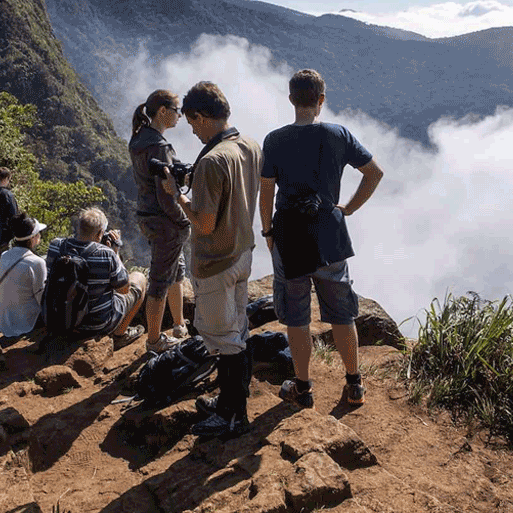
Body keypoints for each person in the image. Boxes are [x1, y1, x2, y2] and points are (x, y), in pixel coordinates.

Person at [259, 69, 383, 409]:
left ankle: (303, 387)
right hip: (329, 233)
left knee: (297, 317)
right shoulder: (338, 134)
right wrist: (349, 209)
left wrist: (267, 230)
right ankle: (354, 385)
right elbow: (375, 173)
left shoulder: (274, 140)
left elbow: (266, 189)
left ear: (291, 100)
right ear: (321, 100)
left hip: (289, 236)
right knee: (342, 314)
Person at [162, 81, 262, 438]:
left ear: (202, 116)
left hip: (216, 261)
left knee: (223, 339)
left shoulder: (213, 160)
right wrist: (195, 178)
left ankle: (233, 416)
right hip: (243, 253)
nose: (192, 129)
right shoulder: (248, 145)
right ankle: (228, 403)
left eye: (192, 123)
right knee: (239, 331)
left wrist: (178, 195)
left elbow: (203, 223)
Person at [129, 89, 191, 354]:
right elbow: (165, 195)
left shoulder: (139, 138)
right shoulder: (160, 146)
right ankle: (154, 341)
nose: (180, 116)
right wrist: (183, 220)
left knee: (174, 269)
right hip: (165, 219)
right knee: (159, 279)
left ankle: (178, 325)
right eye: (177, 111)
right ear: (163, 111)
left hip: (146, 214)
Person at [45, 207, 146, 350]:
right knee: (140, 278)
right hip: (95, 324)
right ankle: (120, 335)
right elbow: (124, 289)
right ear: (100, 233)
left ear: (78, 227)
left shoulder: (56, 246)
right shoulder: (106, 254)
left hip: (58, 318)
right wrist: (115, 252)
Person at [0, 213, 48, 338]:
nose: (40, 235)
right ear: (33, 237)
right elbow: (42, 300)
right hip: (25, 324)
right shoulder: (37, 262)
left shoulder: (4, 255)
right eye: (38, 233)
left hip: (3, 322)